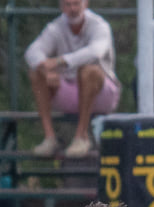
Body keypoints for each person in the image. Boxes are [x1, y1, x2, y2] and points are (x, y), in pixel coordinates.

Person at [24, 0, 121, 158]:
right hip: (70, 92)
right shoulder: (55, 27)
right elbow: (32, 52)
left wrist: (60, 61)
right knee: (36, 74)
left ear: (86, 4)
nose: (72, 9)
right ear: (62, 7)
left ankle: (81, 136)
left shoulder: (100, 25)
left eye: (76, 4)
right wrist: (45, 70)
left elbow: (95, 52)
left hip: (102, 93)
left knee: (89, 72)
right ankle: (50, 138)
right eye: (67, 5)